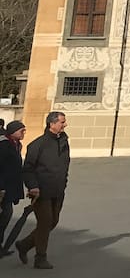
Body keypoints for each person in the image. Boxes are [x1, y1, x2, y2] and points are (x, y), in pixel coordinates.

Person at [16, 111, 70, 270]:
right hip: (41, 191)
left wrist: (64, 182)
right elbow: (27, 169)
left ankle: (24, 245)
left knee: (53, 222)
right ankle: (40, 258)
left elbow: (65, 165)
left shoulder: (64, 142)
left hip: (58, 190)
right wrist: (33, 186)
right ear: (52, 124)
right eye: (62, 122)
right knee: (45, 223)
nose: (65, 124)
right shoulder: (38, 144)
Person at [0, 121, 26, 256]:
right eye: (21, 130)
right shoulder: (4, 145)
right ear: (13, 131)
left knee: (5, 215)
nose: (23, 133)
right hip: (2, 188)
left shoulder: (16, 145)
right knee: (5, 215)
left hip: (9, 188)